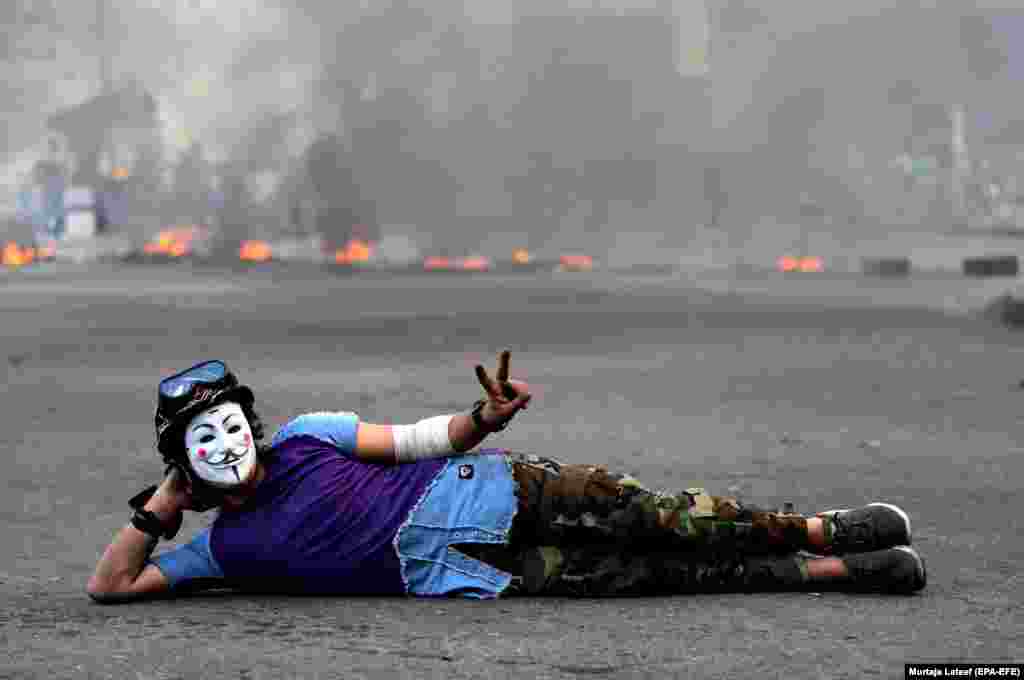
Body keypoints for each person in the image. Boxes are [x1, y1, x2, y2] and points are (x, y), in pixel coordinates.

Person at [87, 353, 926, 603]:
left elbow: (419, 439)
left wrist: (483, 420)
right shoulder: (225, 550)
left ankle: (822, 527)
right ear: (183, 458)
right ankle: (836, 572)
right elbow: (111, 586)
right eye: (202, 438)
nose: (226, 442)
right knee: (647, 578)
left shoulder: (309, 438)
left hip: (493, 489)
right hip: (470, 573)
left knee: (667, 518)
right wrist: (163, 505)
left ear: (254, 420)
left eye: (230, 421)